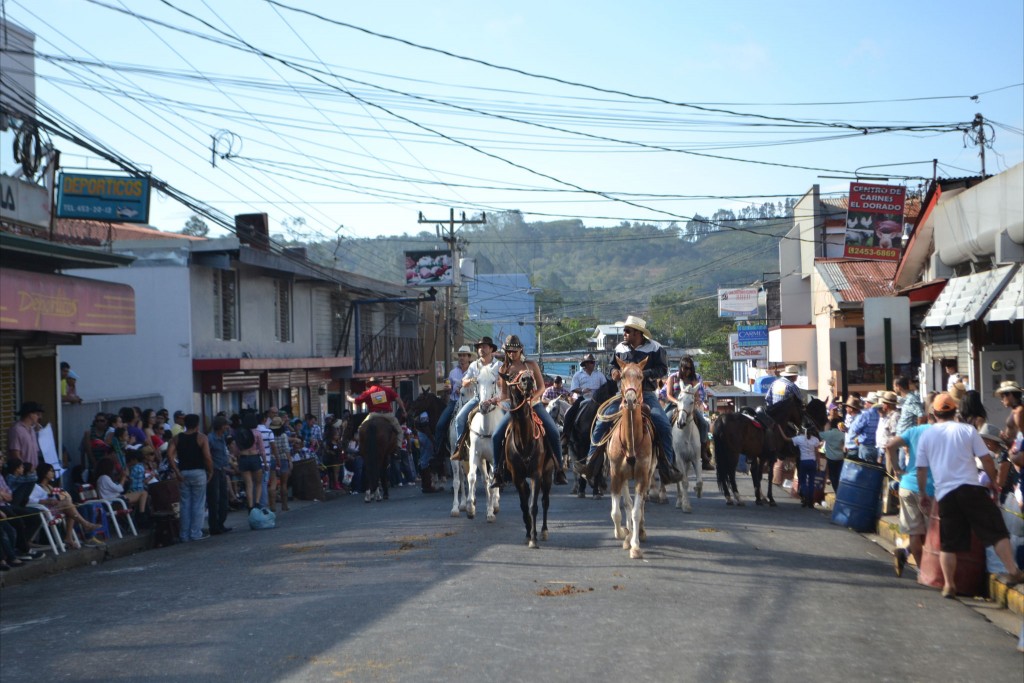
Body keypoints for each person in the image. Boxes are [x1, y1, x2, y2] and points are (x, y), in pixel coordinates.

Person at [916, 393, 1024, 597]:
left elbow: (921, 469)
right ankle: (1013, 571)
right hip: (971, 489)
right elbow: (987, 459)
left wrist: (923, 493)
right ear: (954, 411)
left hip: (945, 494)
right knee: (996, 531)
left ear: (935, 413)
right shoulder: (967, 430)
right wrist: (993, 482)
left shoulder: (927, 435)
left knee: (949, 542)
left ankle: (949, 585)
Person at [581, 316, 684, 485]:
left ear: (638, 333)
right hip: (623, 394)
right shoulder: (620, 347)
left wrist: (644, 373)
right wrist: (613, 372)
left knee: (664, 425)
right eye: (625, 330)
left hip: (647, 394)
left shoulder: (655, 347)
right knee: (601, 422)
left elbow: (662, 369)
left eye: (628, 331)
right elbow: (613, 365)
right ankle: (590, 464)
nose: (624, 333)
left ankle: (667, 467)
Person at [487, 335, 568, 487]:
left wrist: (531, 401)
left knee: (553, 431)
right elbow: (504, 394)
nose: (512, 354)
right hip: (515, 408)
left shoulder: (531, 365)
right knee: (497, 435)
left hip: (534, 404)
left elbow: (542, 387)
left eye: (515, 351)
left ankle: (559, 470)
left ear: (521, 350)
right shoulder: (503, 369)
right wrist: (497, 400)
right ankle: (497, 472)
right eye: (509, 351)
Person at [885, 419, 934, 577]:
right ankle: (926, 569)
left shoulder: (913, 431)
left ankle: (921, 570)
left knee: (914, 532)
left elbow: (890, 446)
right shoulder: (940, 433)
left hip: (907, 485)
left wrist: (897, 469)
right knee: (930, 533)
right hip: (930, 487)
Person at [29, 462, 102, 549]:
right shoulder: (36, 487)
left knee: (70, 506)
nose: (53, 473)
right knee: (69, 506)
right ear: (44, 472)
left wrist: (62, 496)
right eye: (51, 471)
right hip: (45, 512)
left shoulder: (50, 486)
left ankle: (70, 537)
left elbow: (60, 497)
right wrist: (46, 501)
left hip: (54, 509)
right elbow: (29, 500)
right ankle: (84, 525)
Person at [452, 336, 502, 457]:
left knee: (511, 419)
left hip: (497, 399)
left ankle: (508, 448)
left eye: (484, 347)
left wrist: (499, 381)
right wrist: (471, 380)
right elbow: (463, 381)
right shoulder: (474, 365)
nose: (481, 349)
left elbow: (503, 382)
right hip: (477, 399)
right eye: (479, 347)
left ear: (491, 349)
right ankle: (461, 448)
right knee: (459, 419)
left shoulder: (499, 365)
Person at [166, 414, 213, 542]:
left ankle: (184, 534)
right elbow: (207, 457)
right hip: (198, 472)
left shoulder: (176, 438)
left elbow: (169, 455)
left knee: (185, 504)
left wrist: (176, 471)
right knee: (198, 504)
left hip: (183, 473)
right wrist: (210, 471)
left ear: (184, 424)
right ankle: (195, 533)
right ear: (197, 424)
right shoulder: (202, 438)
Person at [667, 356, 711, 462]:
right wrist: (678, 402)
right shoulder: (673, 377)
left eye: (689, 368)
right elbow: (669, 395)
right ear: (680, 367)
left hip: (689, 407)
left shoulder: (693, 380)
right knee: (663, 423)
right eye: (685, 368)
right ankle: (664, 452)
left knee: (704, 424)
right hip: (675, 405)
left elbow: (696, 396)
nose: (687, 371)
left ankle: (703, 452)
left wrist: (696, 400)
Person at [435, 345, 474, 459]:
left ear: (469, 357)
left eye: (464, 355)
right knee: (440, 425)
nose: (461, 358)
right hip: (454, 402)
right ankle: (439, 450)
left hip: (470, 402)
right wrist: (448, 389)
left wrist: (463, 389)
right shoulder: (453, 372)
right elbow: (448, 389)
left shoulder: (473, 371)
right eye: (460, 355)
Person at [206, 415, 233, 535]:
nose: (227, 427)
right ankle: (214, 525)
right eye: (226, 425)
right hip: (214, 470)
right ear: (221, 426)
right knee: (214, 498)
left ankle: (221, 523)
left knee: (223, 497)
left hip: (222, 469)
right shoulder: (210, 439)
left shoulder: (222, 437)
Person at [782, 426, 821, 508]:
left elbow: (786, 438)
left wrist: (779, 428)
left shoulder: (799, 438)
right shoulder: (815, 440)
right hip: (812, 462)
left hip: (803, 462)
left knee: (803, 482)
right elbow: (817, 453)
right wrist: (818, 464)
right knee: (811, 482)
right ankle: (810, 502)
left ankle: (805, 498)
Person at [7, 401, 44, 469]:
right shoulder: (16, 430)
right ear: (30, 414)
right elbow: (15, 453)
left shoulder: (32, 430)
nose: (39, 417)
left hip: (33, 471)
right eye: (37, 414)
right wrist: (23, 469)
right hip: (23, 472)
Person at [414, 412, 444, 493]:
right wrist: (432, 440)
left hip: (420, 435)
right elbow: (425, 427)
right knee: (426, 460)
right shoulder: (424, 413)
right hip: (425, 436)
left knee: (423, 459)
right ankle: (428, 485)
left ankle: (425, 484)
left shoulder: (419, 413)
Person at [849, 392, 881, 463]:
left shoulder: (866, 414)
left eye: (867, 402)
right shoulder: (881, 414)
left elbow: (855, 428)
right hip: (877, 448)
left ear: (870, 403)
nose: (865, 404)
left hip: (866, 447)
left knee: (865, 469)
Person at [819, 416, 846, 494]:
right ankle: (840, 491)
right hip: (840, 458)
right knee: (838, 475)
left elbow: (819, 434)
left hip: (831, 458)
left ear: (831, 425)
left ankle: (837, 491)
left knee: (832, 476)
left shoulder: (827, 434)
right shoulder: (842, 434)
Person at [994, 380, 1023, 446]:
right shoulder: (1015, 410)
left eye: (1002, 396)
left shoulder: (1019, 411)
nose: (1002, 400)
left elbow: (1021, 434)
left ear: (1010, 395)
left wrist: (1016, 447)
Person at [874, 391, 900, 464]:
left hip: (891, 451)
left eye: (883, 403)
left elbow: (895, 436)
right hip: (885, 451)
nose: (882, 405)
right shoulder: (889, 416)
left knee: (890, 472)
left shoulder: (895, 416)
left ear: (887, 405)